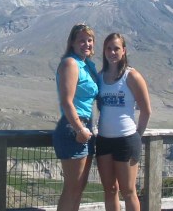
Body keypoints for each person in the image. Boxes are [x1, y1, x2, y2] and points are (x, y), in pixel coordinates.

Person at [96, 33, 152, 211]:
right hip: (104, 140)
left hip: (126, 140)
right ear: (104, 51)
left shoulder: (131, 76)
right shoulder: (99, 77)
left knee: (128, 191)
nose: (112, 52)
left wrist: (136, 135)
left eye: (116, 48)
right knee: (110, 189)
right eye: (109, 48)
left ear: (124, 51)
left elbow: (146, 110)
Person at [52, 23, 99, 211]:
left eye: (89, 40)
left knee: (79, 188)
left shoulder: (86, 65)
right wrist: (79, 129)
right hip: (74, 127)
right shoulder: (70, 63)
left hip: (85, 127)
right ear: (72, 43)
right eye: (81, 40)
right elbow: (67, 101)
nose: (86, 44)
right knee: (72, 189)